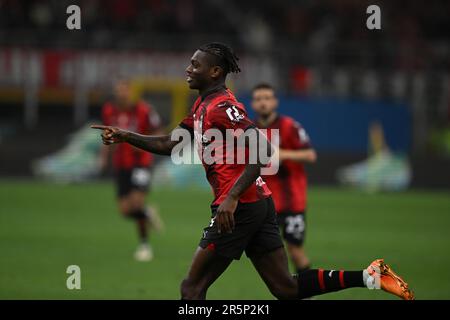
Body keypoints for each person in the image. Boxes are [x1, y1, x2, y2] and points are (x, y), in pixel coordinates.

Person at [92, 43, 414, 300]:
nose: (188, 69)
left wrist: (230, 199)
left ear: (215, 71)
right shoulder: (202, 106)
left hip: (238, 206)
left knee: (191, 289)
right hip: (256, 202)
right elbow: (170, 144)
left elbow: (262, 151)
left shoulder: (223, 107)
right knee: (285, 288)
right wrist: (125, 136)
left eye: (195, 64)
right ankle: (369, 276)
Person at [252, 83, 316, 275]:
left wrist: (282, 153)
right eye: (258, 99)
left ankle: (307, 292)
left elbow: (310, 155)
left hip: (291, 202)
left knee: (295, 251)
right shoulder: (250, 130)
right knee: (266, 252)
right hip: (263, 202)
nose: (263, 103)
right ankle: (285, 289)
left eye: (267, 98)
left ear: (275, 102)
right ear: (253, 104)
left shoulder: (289, 126)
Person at [98, 78, 163, 261]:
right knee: (125, 210)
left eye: (124, 90)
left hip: (140, 163)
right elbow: (106, 136)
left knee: (136, 202)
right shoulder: (109, 110)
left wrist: (143, 143)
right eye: (118, 90)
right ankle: (148, 213)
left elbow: (159, 132)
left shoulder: (144, 110)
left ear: (131, 91)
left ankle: (144, 246)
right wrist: (103, 156)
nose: (121, 94)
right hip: (121, 164)